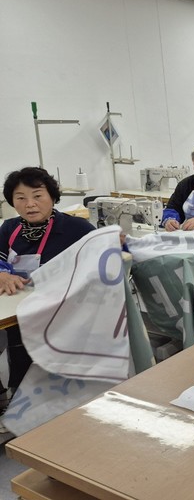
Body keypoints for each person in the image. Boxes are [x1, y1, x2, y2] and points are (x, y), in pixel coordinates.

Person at [0, 167, 96, 410]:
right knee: (16, 344)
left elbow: (105, 262)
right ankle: (17, 398)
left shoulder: (76, 229)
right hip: (17, 307)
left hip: (62, 310)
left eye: (37, 196)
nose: (29, 204)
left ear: (52, 197)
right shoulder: (10, 229)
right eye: (20, 198)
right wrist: (2, 274)